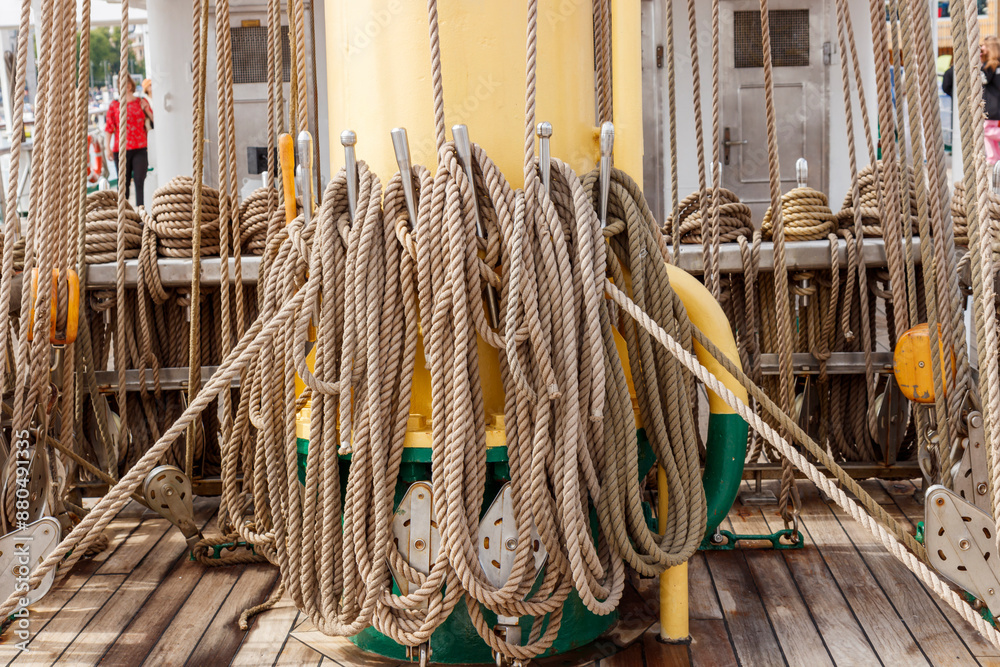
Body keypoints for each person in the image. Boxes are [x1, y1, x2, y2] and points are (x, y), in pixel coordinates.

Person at [104, 73, 153, 205]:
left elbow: (155, 120)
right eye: (122, 83)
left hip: (140, 147)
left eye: (127, 82)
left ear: (131, 84)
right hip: (121, 149)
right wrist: (107, 147)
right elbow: (109, 128)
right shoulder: (114, 105)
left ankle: (141, 213)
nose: (125, 85)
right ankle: (125, 214)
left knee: (139, 180)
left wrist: (147, 109)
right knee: (123, 184)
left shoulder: (141, 102)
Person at [982, 36, 1000, 164]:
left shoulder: (990, 66)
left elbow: (983, 80)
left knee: (985, 130)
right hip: (996, 105)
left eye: (984, 46)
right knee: (988, 134)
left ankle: (993, 157)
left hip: (992, 106)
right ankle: (994, 157)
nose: (982, 48)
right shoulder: (997, 65)